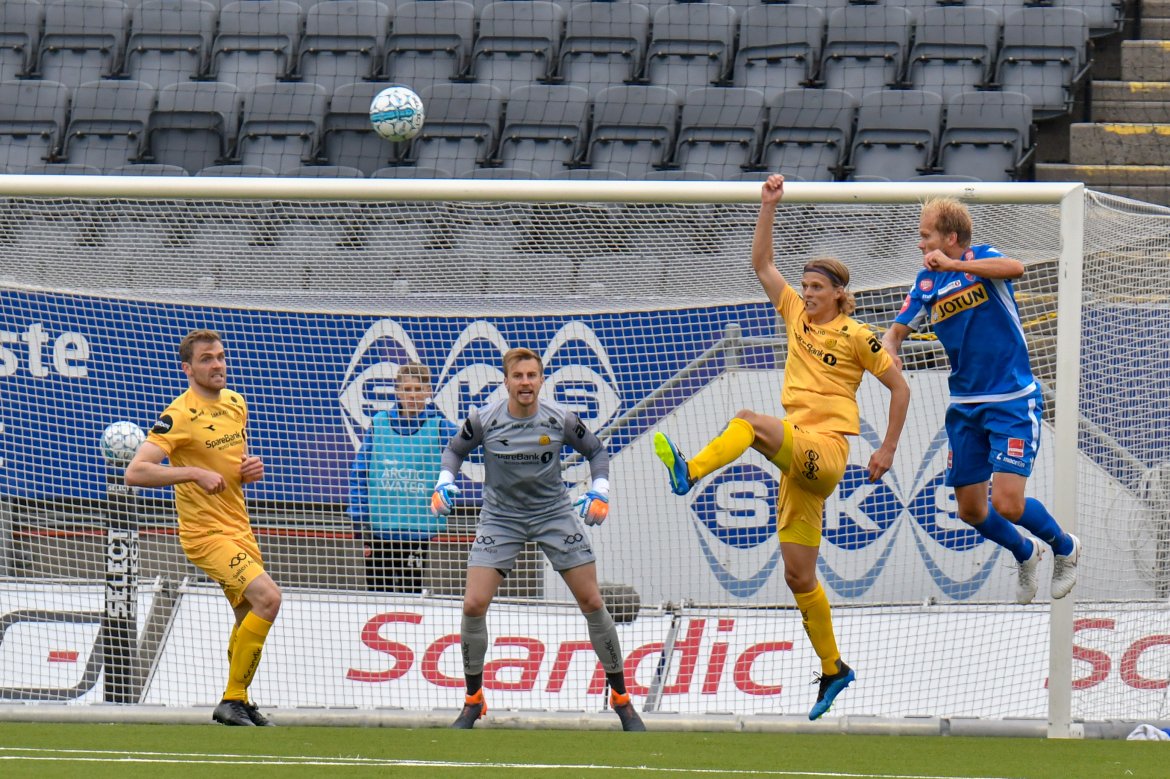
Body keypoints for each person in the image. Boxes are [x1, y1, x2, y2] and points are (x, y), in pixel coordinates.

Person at [652, 173, 910, 721]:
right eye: (806, 286)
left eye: (817, 287)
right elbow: (762, 264)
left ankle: (690, 472)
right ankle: (835, 668)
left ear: (838, 293)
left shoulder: (858, 336)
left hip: (828, 451)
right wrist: (768, 204)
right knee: (798, 576)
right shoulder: (795, 315)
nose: (807, 293)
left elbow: (901, 388)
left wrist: (886, 449)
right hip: (799, 465)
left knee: (748, 421)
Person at [431, 346, 646, 731]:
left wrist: (600, 490)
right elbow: (454, 450)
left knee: (592, 601)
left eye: (532, 375)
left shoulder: (560, 418)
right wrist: (444, 482)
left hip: (553, 515)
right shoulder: (484, 419)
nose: (525, 382)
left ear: (542, 380)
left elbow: (596, 451)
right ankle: (473, 700)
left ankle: (621, 698)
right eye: (518, 376)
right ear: (506, 382)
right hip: (501, 519)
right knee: (473, 605)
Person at [881, 196, 1080, 605]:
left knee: (1007, 503)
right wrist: (890, 347)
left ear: (950, 238)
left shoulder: (982, 260)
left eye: (926, 235)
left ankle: (1065, 547)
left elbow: (1016, 268)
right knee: (970, 510)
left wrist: (955, 266)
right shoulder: (926, 281)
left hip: (1011, 400)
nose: (920, 244)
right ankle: (1025, 552)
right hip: (965, 405)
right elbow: (896, 330)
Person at [125, 329, 281, 727]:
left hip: (239, 527)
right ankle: (231, 700)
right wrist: (193, 472)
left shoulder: (235, 403)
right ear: (188, 369)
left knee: (248, 615)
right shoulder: (179, 414)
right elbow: (136, 471)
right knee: (269, 599)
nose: (217, 365)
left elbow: (233, 466)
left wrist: (248, 470)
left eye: (221, 357)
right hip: (205, 535)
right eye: (207, 359)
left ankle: (239, 699)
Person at [348, 362, 457, 594]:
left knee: (410, 594)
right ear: (397, 391)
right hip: (379, 529)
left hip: (417, 530)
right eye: (407, 389)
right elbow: (360, 472)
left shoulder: (439, 427)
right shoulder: (379, 424)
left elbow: (468, 443)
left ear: (428, 392)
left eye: (418, 389)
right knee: (378, 595)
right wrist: (359, 518)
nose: (412, 395)